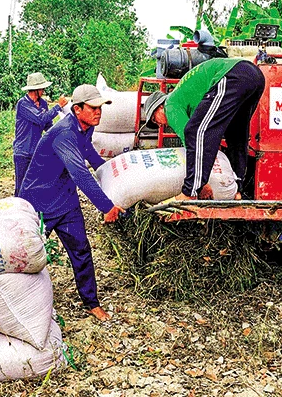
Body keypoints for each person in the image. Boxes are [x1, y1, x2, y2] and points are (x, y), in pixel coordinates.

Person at [19, 84, 125, 322]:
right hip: (39, 202)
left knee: (81, 250)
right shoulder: (64, 133)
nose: (98, 112)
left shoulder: (86, 128)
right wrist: (107, 207)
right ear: (77, 109)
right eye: (93, 108)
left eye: (100, 108)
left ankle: (91, 303)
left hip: (65, 199)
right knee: (28, 254)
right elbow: (80, 174)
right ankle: (23, 304)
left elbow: (90, 154)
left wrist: (112, 174)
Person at [143, 57, 265, 201]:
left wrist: (201, 183)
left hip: (232, 75)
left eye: (154, 119)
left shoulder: (170, 105)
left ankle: (190, 191)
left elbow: (192, 139)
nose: (159, 125)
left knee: (195, 133)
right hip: (255, 76)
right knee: (236, 135)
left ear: (160, 107)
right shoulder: (183, 95)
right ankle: (237, 190)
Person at [13, 72, 68, 196]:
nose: (43, 91)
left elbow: (48, 125)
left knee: (35, 185)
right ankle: (19, 207)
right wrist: (58, 106)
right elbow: (41, 119)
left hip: (36, 152)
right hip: (23, 152)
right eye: (42, 88)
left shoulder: (43, 104)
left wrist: (60, 134)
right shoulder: (23, 104)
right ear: (35, 90)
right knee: (21, 188)